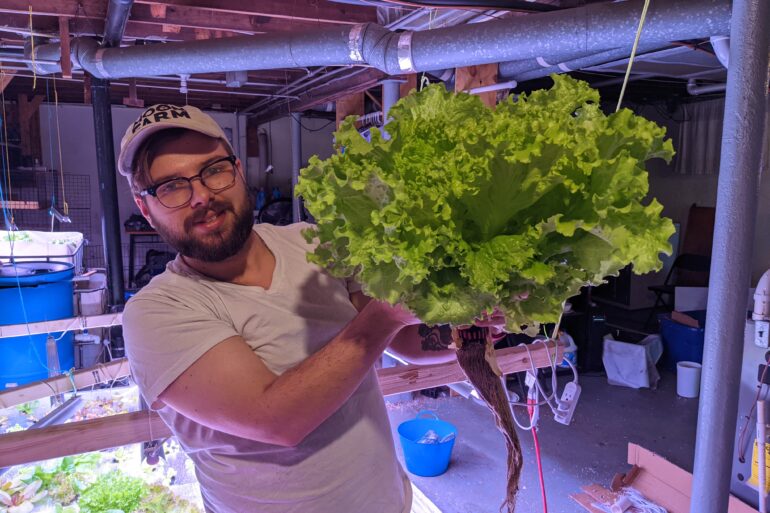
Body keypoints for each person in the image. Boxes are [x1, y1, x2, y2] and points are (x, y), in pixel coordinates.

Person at [117, 104, 470, 513]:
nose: (202, 197)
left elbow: (406, 337)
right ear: (146, 208)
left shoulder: (311, 242)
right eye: (172, 186)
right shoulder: (158, 311)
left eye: (213, 169)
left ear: (238, 170)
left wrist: (472, 327)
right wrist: (387, 315)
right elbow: (277, 419)